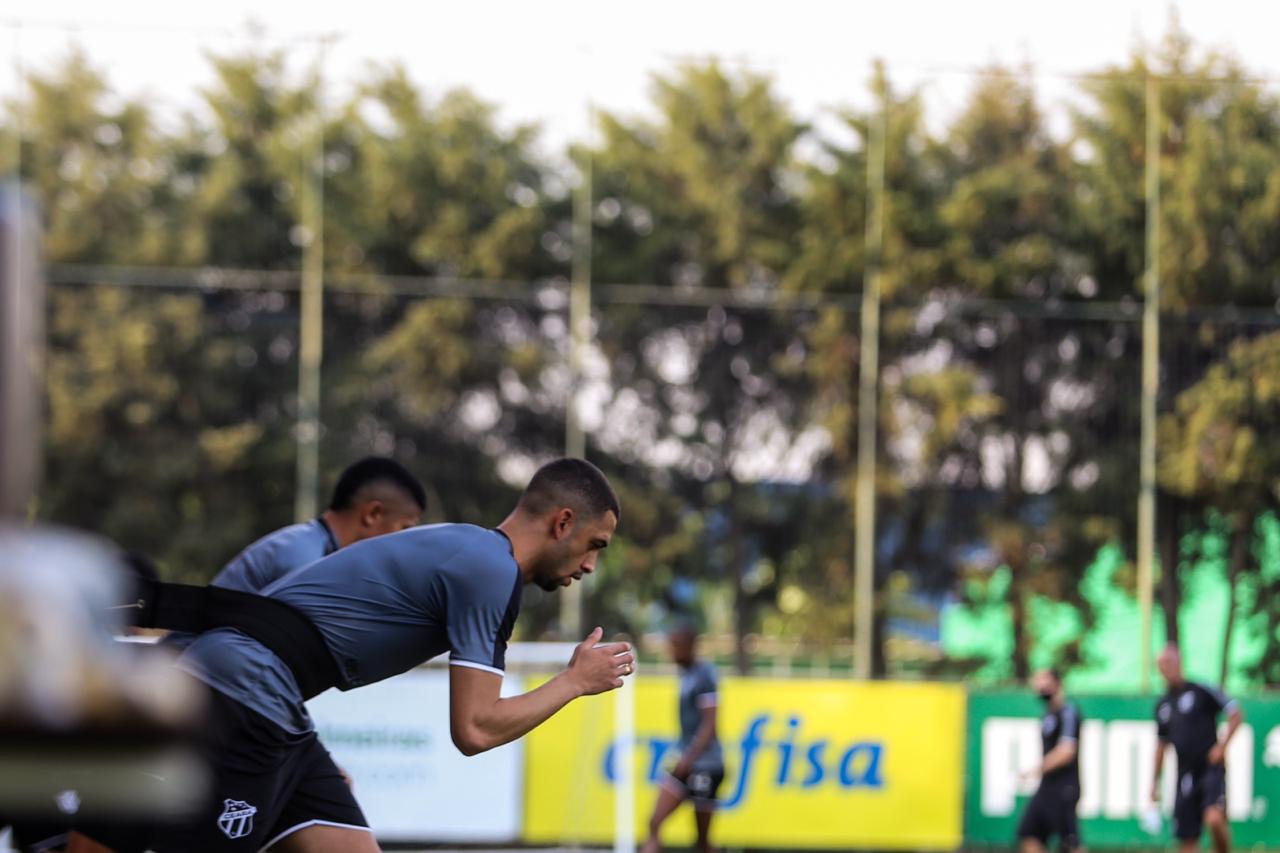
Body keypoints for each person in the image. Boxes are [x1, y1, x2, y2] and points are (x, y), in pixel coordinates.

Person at [79, 457, 632, 853]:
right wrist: (575, 681)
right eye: (594, 547)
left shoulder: (470, 547)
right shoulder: (492, 571)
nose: (589, 567)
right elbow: (476, 729)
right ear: (563, 523)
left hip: (273, 704)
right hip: (242, 695)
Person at [212, 456, 426, 593]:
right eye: (404, 529)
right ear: (373, 513)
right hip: (196, 662)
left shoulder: (317, 550)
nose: (404, 542)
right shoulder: (303, 558)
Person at [1150, 644, 1243, 853]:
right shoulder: (1163, 705)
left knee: (1214, 819)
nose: (1166, 669)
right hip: (1185, 772)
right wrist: (1154, 781)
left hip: (1210, 767)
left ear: (1179, 662)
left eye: (1169, 663)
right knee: (1186, 838)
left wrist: (1222, 746)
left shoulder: (1202, 690)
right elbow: (1160, 746)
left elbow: (1235, 714)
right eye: (1161, 666)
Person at [641, 621, 723, 853]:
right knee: (654, 822)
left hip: (706, 765)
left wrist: (689, 758)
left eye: (675, 645)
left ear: (690, 646)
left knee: (703, 841)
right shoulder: (686, 674)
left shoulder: (704, 675)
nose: (671, 651)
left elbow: (710, 723)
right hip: (686, 761)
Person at [1016, 669, 1083, 853]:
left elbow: (1066, 751)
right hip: (1046, 787)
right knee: (1030, 834)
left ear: (1056, 683)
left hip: (1064, 788)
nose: (1038, 685)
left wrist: (1035, 769)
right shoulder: (1047, 714)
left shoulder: (1068, 712)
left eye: (1043, 680)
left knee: (1071, 844)